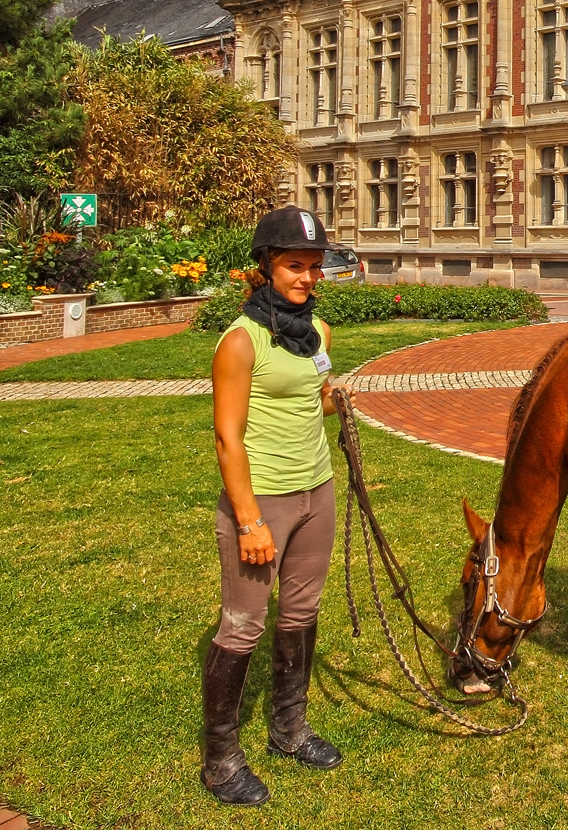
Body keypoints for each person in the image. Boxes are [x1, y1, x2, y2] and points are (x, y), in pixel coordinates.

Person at [201, 206, 346, 806]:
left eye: (315, 266)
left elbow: (313, 400)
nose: (307, 277)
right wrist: (249, 519)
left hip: (317, 491)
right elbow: (226, 438)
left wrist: (335, 399)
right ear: (264, 268)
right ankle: (220, 759)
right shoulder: (241, 340)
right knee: (243, 626)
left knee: (301, 613)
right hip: (264, 499)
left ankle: (289, 729)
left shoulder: (317, 332)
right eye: (294, 265)